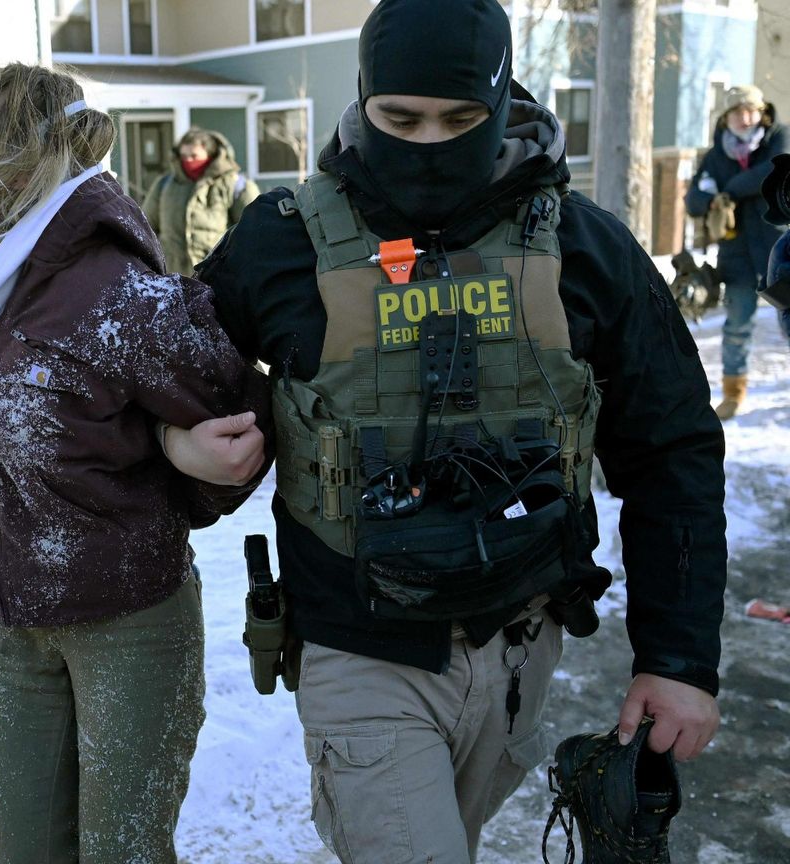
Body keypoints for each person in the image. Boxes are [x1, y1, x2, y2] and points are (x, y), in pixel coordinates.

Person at [193, 2, 727, 861]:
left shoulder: (584, 246)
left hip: (519, 646)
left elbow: (673, 451)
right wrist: (192, 457)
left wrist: (679, 657)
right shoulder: (280, 243)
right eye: (400, 119)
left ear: (501, 101)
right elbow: (163, 387)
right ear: (362, 99)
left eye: (460, 120)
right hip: (358, 645)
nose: (429, 143)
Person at [0, 64, 269, 864]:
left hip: (131, 622)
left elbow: (246, 423)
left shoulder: (115, 291)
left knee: (122, 854)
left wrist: (174, 448)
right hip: (14, 622)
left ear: (22, 154)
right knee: (26, 850)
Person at [684, 84, 789, 419]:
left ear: (762, 113)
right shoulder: (716, 155)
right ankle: (733, 393)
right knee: (737, 325)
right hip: (736, 254)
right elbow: (692, 200)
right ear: (726, 117)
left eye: (751, 111)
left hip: (778, 252)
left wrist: (727, 190)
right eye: (737, 112)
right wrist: (713, 201)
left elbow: (768, 176)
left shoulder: (779, 139)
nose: (745, 118)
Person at [141, 128, 260, 277]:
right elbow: (144, 227)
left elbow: (255, 231)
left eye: (194, 156)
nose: (188, 161)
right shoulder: (164, 185)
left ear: (210, 155)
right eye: (184, 156)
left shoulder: (235, 185)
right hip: (173, 279)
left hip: (218, 279)